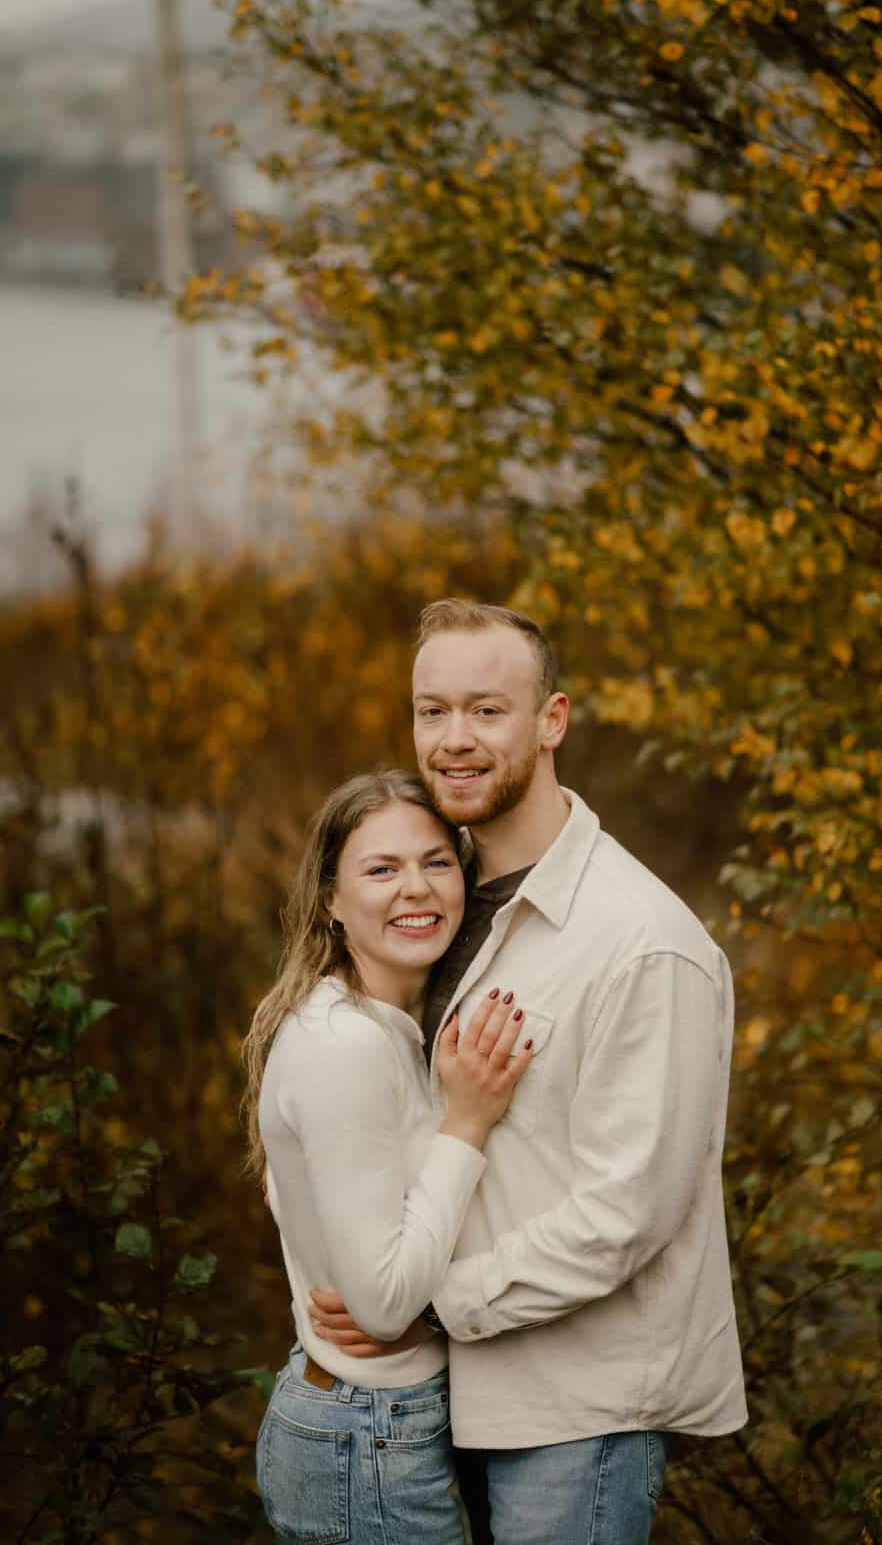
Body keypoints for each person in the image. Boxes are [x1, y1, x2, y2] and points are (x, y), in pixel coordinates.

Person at [309, 601, 748, 1545]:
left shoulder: (641, 943)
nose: (454, 740)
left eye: (486, 711)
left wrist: (426, 1303)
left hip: (570, 1416)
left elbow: (629, 1209)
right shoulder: (430, 896)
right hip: (432, 1403)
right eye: (432, 711)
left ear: (551, 721)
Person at [241, 768, 534, 1544]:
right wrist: (465, 1124)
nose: (417, 889)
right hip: (364, 1432)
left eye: (436, 862)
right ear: (331, 900)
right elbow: (381, 1307)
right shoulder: (343, 1046)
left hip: (374, 1424)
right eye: (381, 868)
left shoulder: (388, 1027)